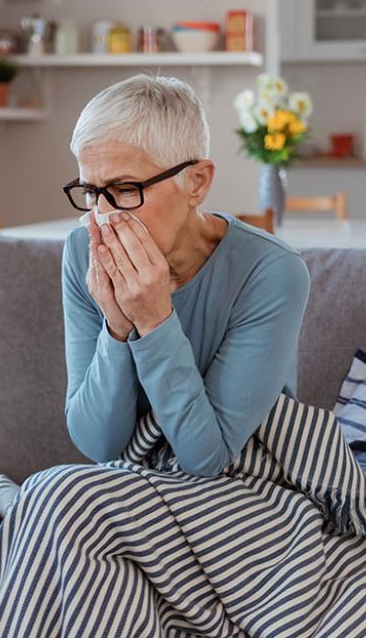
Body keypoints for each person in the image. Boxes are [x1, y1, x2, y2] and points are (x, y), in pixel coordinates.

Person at [61, 74, 311, 477]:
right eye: (91, 192)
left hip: (248, 481)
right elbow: (98, 445)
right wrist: (117, 327)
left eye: (125, 189)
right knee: (51, 491)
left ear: (196, 183)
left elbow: (206, 459)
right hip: (134, 477)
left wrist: (154, 319)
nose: (103, 216)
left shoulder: (271, 271)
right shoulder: (81, 253)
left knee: (54, 495)